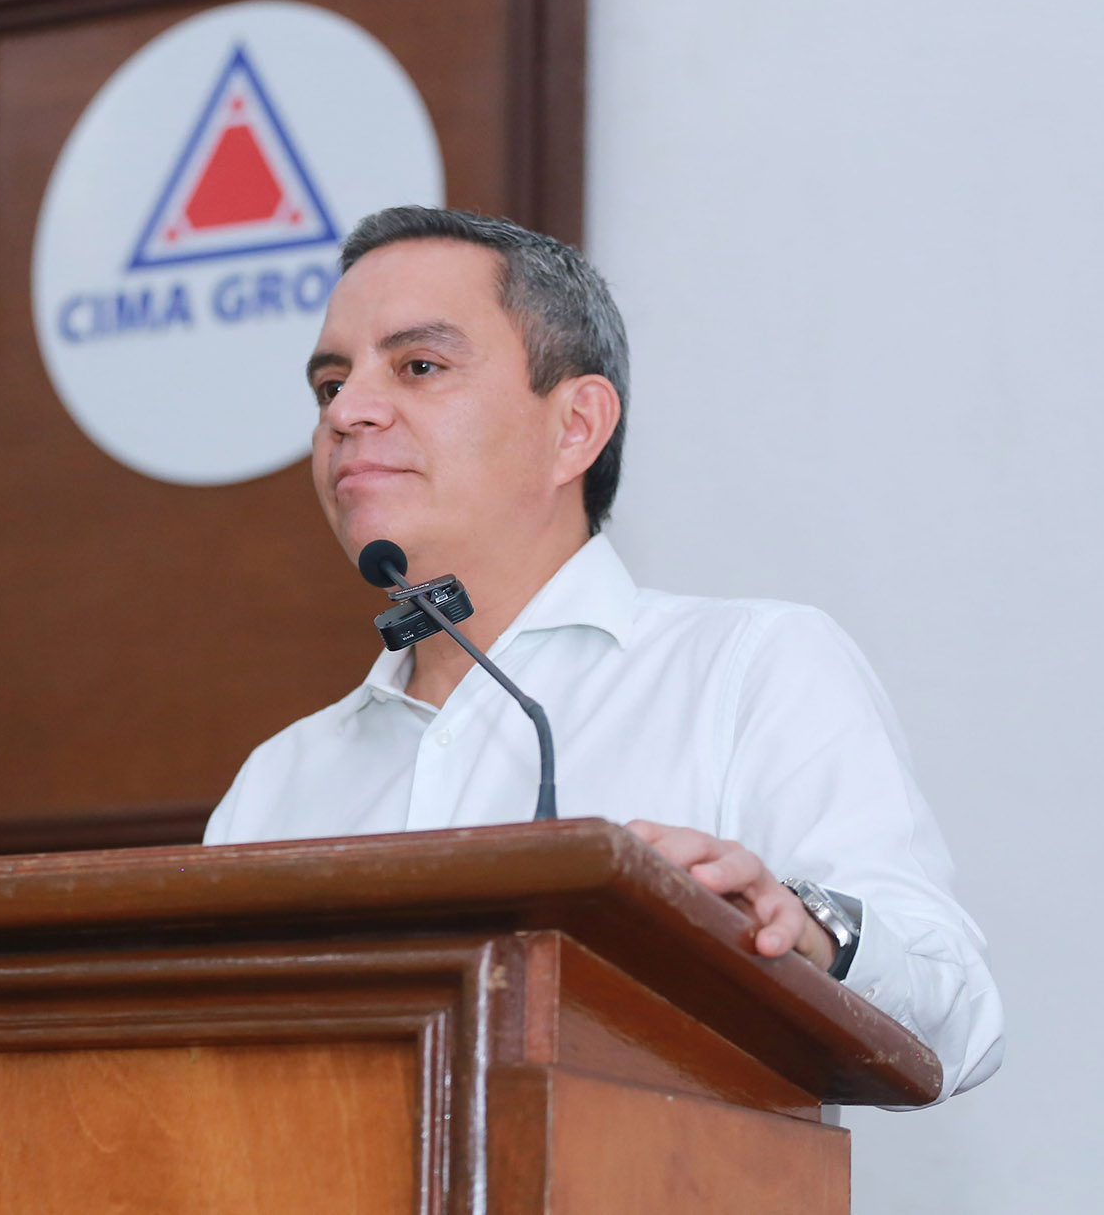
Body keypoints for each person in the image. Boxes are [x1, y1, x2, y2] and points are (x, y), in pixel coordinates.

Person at [204, 206, 1003, 1102]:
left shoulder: (747, 670)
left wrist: (806, 931)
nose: (347, 413)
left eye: (419, 366)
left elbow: (960, 1025)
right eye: (329, 385)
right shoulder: (279, 783)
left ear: (577, 425)